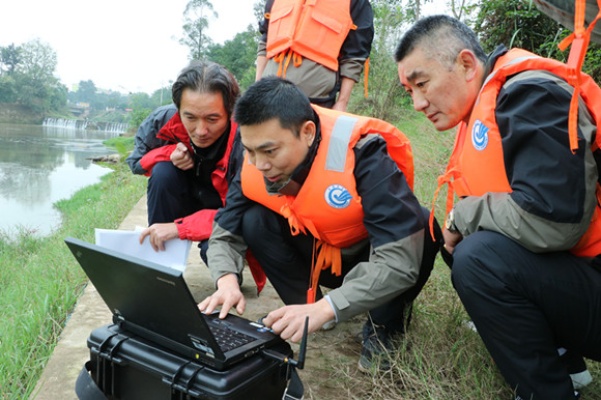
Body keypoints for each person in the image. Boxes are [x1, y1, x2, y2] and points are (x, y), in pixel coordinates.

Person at [395, 15, 601, 399]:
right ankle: (565, 362)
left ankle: (548, 391)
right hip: (582, 275)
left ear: (467, 64)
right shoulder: (486, 102)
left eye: (422, 84)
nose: (418, 102)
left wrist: (465, 215)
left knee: (478, 257)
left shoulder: (530, 94)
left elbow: (555, 221)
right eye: (409, 91)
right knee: (464, 244)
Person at [198, 76, 441, 371]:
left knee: (423, 226)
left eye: (270, 151)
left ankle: (383, 327)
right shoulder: (254, 152)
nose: (259, 164)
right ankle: (305, 307)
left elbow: (399, 261)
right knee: (253, 219)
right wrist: (226, 281)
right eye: (250, 151)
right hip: (315, 256)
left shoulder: (364, 152)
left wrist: (329, 308)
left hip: (364, 258)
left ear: (308, 132)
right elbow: (225, 231)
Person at [125, 60, 241, 264]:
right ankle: (160, 262)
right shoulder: (162, 119)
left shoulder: (246, 135)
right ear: (178, 109)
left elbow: (242, 212)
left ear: (230, 111)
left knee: (212, 249)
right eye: (190, 117)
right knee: (163, 172)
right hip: (184, 195)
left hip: (223, 209)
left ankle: (228, 272)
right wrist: (169, 152)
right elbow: (135, 163)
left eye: (212, 119)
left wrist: (179, 228)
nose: (200, 131)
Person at [255, 0, 374, 111]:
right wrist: (256, 88)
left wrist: (342, 103)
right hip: (266, 98)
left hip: (315, 104)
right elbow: (265, 40)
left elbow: (355, 54)